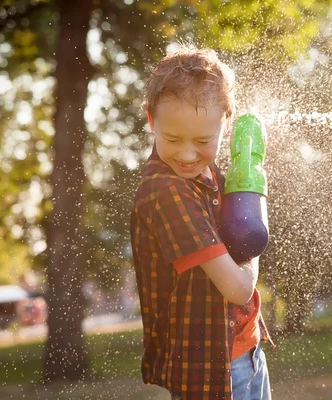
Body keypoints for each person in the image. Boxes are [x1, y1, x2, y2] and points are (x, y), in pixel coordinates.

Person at [130, 45, 272, 400]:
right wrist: (253, 228)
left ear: (226, 120)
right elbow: (238, 289)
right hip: (212, 374)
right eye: (173, 139)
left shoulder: (207, 174)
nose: (188, 154)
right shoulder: (167, 192)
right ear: (151, 120)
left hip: (246, 353)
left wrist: (249, 181)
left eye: (204, 140)